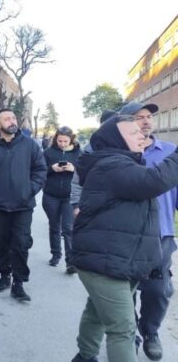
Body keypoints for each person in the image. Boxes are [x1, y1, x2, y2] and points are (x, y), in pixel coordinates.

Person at [69, 115, 178, 362]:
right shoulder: (112, 165)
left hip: (118, 258)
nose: (141, 134)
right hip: (104, 261)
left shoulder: (124, 163)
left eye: (140, 131)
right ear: (116, 139)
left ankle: (84, 356)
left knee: (96, 311)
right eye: (133, 132)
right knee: (123, 330)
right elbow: (156, 180)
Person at [118, 102, 177, 361]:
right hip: (123, 235)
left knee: (158, 290)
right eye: (138, 117)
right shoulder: (116, 154)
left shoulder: (170, 153)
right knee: (123, 290)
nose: (145, 121)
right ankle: (130, 333)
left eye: (148, 116)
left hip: (160, 235)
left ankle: (150, 331)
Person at [0, 108, 46, 302]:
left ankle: (19, 283)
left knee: (21, 243)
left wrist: (29, 190)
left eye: (13, 117)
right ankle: (4, 275)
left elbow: (40, 169)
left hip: (22, 205)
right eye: (7, 119)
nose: (12, 121)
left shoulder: (30, 145)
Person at [42, 126, 81, 272]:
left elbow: (86, 173)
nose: (62, 144)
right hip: (51, 195)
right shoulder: (48, 152)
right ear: (55, 139)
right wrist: (52, 168)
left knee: (68, 229)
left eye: (65, 141)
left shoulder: (79, 153)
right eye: (59, 141)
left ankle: (70, 262)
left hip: (70, 197)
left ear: (72, 139)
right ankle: (55, 254)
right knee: (54, 226)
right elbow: (39, 170)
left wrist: (74, 169)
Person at [70, 109, 118, 216]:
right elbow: (77, 179)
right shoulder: (90, 149)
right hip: (91, 208)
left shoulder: (129, 146)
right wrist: (76, 205)